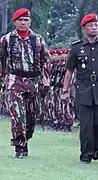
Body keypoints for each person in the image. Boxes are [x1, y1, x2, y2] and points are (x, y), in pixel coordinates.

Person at [61, 13, 98, 164]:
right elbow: (69, 71)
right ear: (84, 28)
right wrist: (65, 90)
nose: (95, 28)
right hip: (84, 90)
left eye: (96, 25)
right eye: (91, 25)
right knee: (86, 126)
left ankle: (95, 146)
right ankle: (85, 155)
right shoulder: (77, 47)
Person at [0, 8, 51, 158]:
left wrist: (45, 80)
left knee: (32, 117)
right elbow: (1, 59)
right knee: (18, 117)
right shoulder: (6, 39)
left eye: (26, 20)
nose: (23, 23)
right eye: (20, 20)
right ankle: (19, 148)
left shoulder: (38, 39)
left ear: (30, 22)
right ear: (15, 22)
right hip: (14, 81)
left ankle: (26, 138)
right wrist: (3, 77)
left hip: (33, 82)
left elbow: (46, 61)